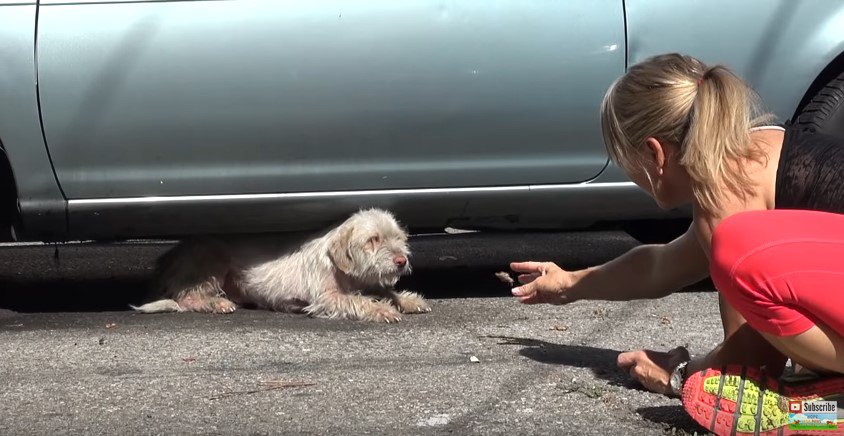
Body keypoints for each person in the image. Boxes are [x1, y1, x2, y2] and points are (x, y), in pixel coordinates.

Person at [509, 53, 844, 435]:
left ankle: (829, 410)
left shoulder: (725, 196)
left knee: (731, 383)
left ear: (654, 155)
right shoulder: (751, 155)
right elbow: (662, 265)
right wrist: (569, 283)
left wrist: (682, 374)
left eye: (626, 162)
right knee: (736, 254)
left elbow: (750, 363)